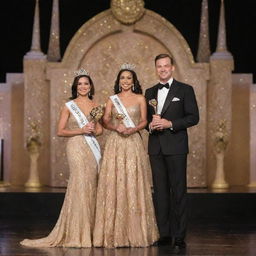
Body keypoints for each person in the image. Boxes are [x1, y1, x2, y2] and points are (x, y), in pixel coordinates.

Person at [20, 69, 102, 248]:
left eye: (86, 83)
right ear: (75, 86)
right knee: (79, 184)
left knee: (90, 186)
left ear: (90, 86)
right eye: (79, 84)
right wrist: (81, 130)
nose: (83, 86)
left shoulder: (96, 105)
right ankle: (76, 232)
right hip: (75, 147)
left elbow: (100, 130)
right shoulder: (69, 105)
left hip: (91, 148)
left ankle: (89, 231)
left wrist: (93, 129)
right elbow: (60, 131)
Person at [93, 64, 159, 248]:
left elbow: (145, 121)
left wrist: (133, 128)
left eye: (129, 78)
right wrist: (116, 126)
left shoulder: (140, 98)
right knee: (115, 182)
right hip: (116, 142)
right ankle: (114, 233)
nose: (126, 81)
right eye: (123, 78)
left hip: (133, 142)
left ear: (134, 81)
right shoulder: (112, 99)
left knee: (132, 181)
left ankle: (136, 232)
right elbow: (105, 121)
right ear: (118, 81)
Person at [145, 54, 199, 250]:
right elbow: (146, 122)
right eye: (159, 66)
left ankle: (179, 235)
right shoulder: (149, 92)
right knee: (160, 193)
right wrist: (151, 126)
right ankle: (165, 234)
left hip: (176, 147)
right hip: (156, 148)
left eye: (166, 66)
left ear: (172, 68)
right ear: (156, 69)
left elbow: (194, 117)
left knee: (178, 191)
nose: (163, 69)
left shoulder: (185, 90)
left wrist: (170, 123)